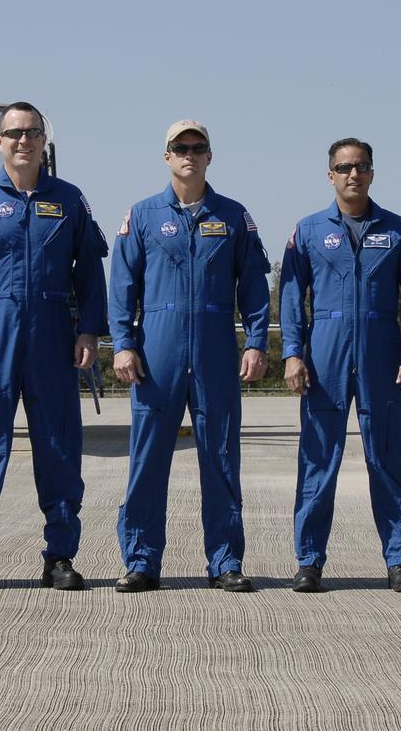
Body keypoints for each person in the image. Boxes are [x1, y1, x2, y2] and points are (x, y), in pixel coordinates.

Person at [0, 102, 108, 592]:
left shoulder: (70, 200)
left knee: (58, 448)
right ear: (0, 142)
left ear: (43, 141)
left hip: (53, 335)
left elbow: (90, 271)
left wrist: (88, 330)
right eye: (13, 134)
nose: (22, 141)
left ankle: (59, 557)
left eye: (31, 132)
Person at [110, 119, 271, 593]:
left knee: (220, 458)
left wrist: (258, 340)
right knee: (146, 460)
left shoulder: (234, 216)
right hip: (156, 351)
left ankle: (224, 560)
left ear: (209, 156)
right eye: (180, 148)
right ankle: (141, 560)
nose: (189, 155)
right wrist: (122, 343)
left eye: (198, 147)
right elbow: (122, 287)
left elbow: (256, 288)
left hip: (215, 350)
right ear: (166, 156)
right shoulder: (141, 216)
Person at [279, 138, 401, 593]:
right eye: (344, 167)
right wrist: (292, 352)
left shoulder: (398, 230)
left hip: (382, 352)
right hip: (325, 354)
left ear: (372, 172)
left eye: (361, 166)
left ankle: (400, 560)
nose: (353, 174)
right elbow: (291, 296)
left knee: (387, 459)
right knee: (318, 461)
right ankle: (309, 561)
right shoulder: (308, 231)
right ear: (330, 175)